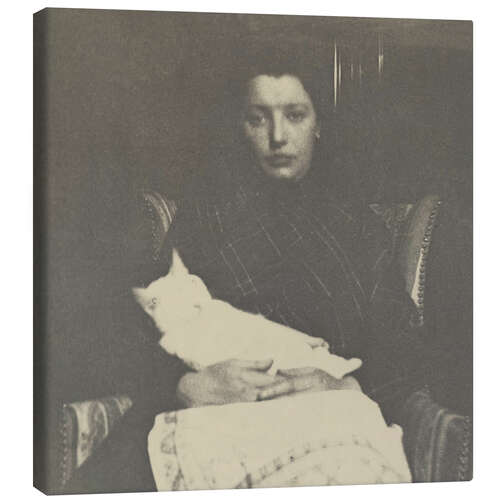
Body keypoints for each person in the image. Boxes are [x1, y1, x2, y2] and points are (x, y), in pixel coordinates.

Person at [65, 41, 430, 494]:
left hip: (326, 420)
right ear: (241, 126)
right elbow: (139, 329)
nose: (277, 136)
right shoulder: (208, 215)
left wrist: (346, 385)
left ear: (319, 124)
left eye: (295, 115)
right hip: (214, 417)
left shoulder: (357, 228)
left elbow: (401, 347)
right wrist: (186, 383)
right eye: (258, 119)